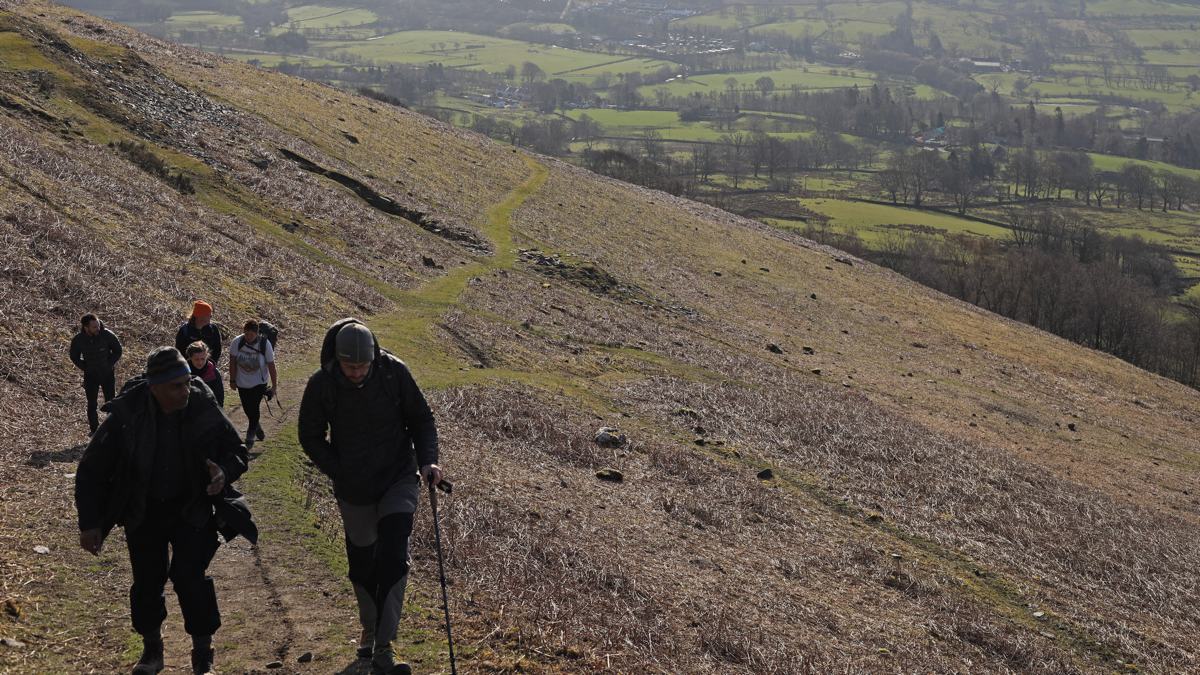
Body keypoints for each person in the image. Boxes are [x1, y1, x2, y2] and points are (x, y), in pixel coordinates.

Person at [74, 347, 252, 675]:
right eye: (177, 386)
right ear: (155, 388)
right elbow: (91, 470)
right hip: (143, 511)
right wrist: (90, 524)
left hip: (192, 508)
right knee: (147, 582)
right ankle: (152, 651)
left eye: (188, 382)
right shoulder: (128, 414)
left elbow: (237, 451)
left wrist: (223, 473)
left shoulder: (202, 404)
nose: (186, 390)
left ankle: (203, 655)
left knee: (190, 578)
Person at [298, 319, 440, 675]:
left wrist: (428, 461)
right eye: (351, 367)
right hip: (354, 488)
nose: (358, 373)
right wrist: (340, 469)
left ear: (374, 358)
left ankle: (384, 646)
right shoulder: (322, 384)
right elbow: (309, 436)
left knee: (394, 553)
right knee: (363, 563)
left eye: (364, 366)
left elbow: (421, 419)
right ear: (338, 360)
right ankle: (369, 628)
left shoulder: (393, 373)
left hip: (398, 477)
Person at [70, 313, 124, 434]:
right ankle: (94, 430)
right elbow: (74, 356)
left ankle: (112, 429)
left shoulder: (107, 335)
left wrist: (109, 364)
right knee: (92, 404)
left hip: (107, 374)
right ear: (86, 327)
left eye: (98, 325)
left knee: (111, 402)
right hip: (91, 375)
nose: (98, 328)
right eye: (94, 327)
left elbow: (118, 351)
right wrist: (85, 367)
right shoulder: (79, 339)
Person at [229, 319, 277, 449]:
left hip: (259, 382)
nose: (248, 337)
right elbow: (232, 361)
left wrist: (274, 386)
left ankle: (250, 434)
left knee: (254, 408)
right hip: (242, 382)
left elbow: (271, 365)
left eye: (251, 334)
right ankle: (256, 426)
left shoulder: (264, 344)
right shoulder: (237, 342)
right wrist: (232, 380)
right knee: (247, 408)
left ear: (257, 333)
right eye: (246, 334)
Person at [175, 301, 223, 369]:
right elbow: (179, 351)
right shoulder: (185, 330)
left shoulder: (213, 329)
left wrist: (211, 364)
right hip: (188, 369)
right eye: (209, 315)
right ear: (200, 316)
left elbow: (217, 349)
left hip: (208, 368)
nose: (211, 317)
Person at [186, 342, 224, 407]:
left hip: (209, 409)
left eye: (202, 359)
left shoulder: (213, 372)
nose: (200, 362)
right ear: (190, 357)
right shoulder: (183, 373)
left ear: (207, 356)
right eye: (196, 359)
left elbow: (219, 396)